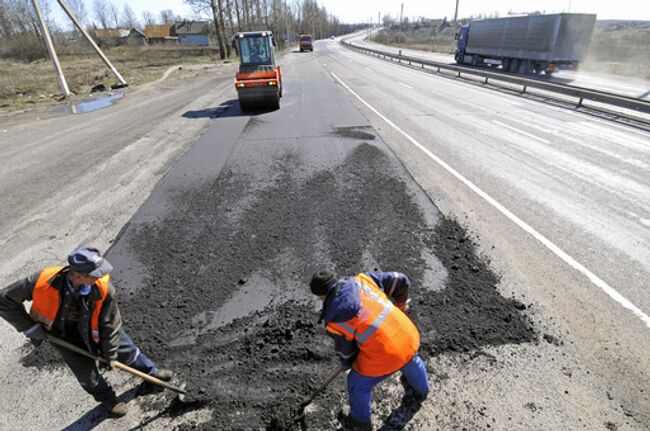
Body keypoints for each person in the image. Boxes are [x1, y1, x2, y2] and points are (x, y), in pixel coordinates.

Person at [0, 247, 173, 417]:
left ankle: (151, 374)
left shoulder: (104, 289)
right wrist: (30, 328)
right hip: (62, 336)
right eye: (95, 274)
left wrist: (109, 354)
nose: (101, 276)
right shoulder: (42, 280)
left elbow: (110, 325)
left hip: (97, 328)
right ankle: (108, 399)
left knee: (127, 351)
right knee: (87, 375)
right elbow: (4, 299)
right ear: (77, 275)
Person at [309, 270, 430, 431]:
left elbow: (347, 354)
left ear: (321, 296)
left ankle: (360, 424)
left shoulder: (334, 319)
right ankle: (421, 390)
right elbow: (400, 280)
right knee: (409, 356)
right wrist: (400, 305)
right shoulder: (362, 281)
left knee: (356, 383)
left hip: (386, 355)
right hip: (408, 335)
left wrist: (347, 363)